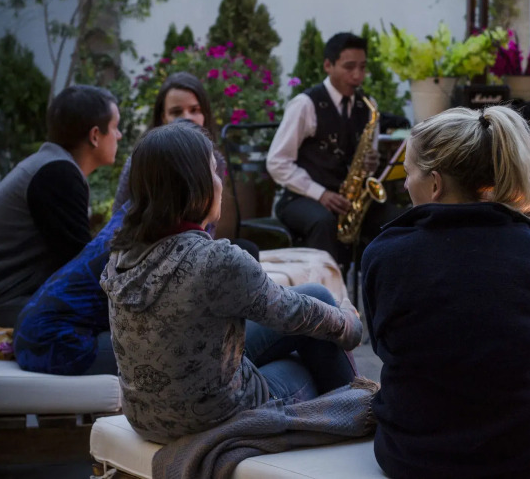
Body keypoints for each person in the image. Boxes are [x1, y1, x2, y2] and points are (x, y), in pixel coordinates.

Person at [100, 121, 362, 444]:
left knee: (316, 296)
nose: (220, 181)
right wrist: (350, 325)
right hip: (214, 418)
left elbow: (293, 307)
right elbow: (294, 314)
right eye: (213, 171)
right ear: (194, 185)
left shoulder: (122, 253)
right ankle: (358, 421)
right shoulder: (216, 261)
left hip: (145, 418)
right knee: (309, 354)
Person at [361, 106, 530, 478]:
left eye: (409, 173)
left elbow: (387, 350)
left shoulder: (385, 254)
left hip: (413, 459)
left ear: (435, 183)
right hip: (525, 459)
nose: (405, 184)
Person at [267, 32, 402, 270]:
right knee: (323, 222)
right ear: (328, 66)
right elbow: (277, 162)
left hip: (348, 200)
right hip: (301, 197)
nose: (357, 76)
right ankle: (323, 291)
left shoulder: (368, 106)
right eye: (349, 67)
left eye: (362, 67)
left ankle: (382, 287)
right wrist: (320, 194)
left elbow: (365, 163)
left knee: (396, 220)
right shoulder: (305, 104)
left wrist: (371, 164)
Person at [0, 85, 121, 327]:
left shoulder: (51, 165)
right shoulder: (57, 174)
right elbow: (81, 268)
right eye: (115, 127)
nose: (119, 135)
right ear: (95, 135)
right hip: (7, 304)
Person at [112, 72, 258, 255]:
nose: (187, 117)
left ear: (205, 114)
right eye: (176, 112)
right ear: (163, 117)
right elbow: (118, 220)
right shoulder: (140, 162)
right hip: (148, 252)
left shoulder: (215, 160)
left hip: (196, 249)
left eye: (195, 110)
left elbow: (210, 224)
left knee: (247, 249)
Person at [13, 204, 128, 375]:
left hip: (29, 333)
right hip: (54, 345)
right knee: (157, 357)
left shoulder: (124, 221)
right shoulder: (142, 236)